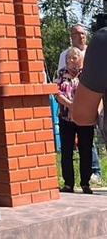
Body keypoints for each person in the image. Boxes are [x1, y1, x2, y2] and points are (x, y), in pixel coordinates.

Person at [55, 46, 94, 193]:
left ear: (81, 60)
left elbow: (92, 92)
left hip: (85, 118)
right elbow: (57, 92)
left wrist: (79, 108)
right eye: (68, 58)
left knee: (86, 150)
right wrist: (71, 106)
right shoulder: (60, 73)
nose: (70, 60)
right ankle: (68, 184)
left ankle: (85, 183)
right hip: (66, 117)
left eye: (74, 57)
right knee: (66, 151)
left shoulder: (88, 74)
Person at [71, 26, 107, 126]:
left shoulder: (103, 41)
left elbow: (82, 116)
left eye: (83, 33)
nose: (81, 36)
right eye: (77, 34)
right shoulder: (65, 54)